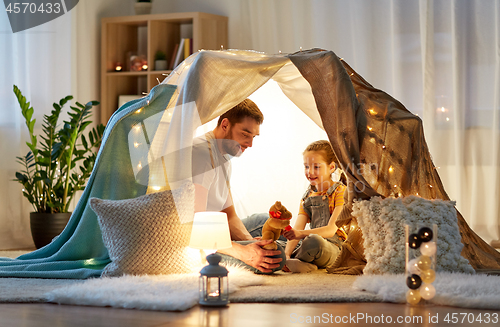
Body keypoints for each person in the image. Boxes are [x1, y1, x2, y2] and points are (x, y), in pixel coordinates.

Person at [191, 99, 285, 273]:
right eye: (245, 134)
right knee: (277, 256)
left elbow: (229, 215)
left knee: (270, 223)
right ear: (225, 125)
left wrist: (252, 243)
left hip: (218, 230)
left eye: (253, 137)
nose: (250, 144)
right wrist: (243, 252)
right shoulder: (201, 154)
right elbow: (195, 225)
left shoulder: (225, 156)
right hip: (199, 239)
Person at [282, 140, 347, 273]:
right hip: (310, 244)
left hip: (333, 248)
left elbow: (330, 230)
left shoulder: (341, 191)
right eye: (306, 166)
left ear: (331, 167)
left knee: (313, 242)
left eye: (316, 167)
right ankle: (294, 261)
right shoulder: (307, 197)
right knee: (276, 244)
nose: (310, 172)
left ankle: (297, 262)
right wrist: (287, 254)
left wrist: (300, 234)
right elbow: (298, 228)